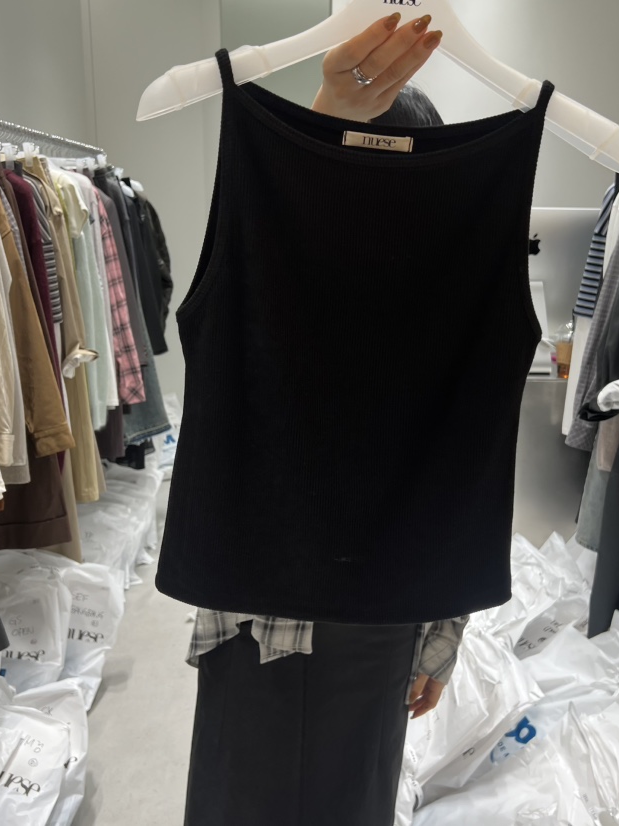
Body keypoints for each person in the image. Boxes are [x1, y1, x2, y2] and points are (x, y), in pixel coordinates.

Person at [183, 14, 466, 826]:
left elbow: (463, 475)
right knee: (241, 799)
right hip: (259, 603)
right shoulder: (270, 267)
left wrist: (442, 633)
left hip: (376, 607)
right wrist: (324, 114)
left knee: (348, 802)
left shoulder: (448, 301)